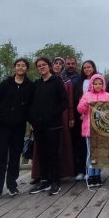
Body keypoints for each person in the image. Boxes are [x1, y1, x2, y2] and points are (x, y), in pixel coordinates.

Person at [0, 57, 33, 198]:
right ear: (14, 68)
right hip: (2, 126)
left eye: (23, 66)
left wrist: (30, 121)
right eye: (18, 65)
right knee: (0, 156)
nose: (20, 68)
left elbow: (30, 106)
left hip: (18, 126)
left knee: (15, 157)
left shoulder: (29, 86)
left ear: (27, 68)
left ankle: (12, 185)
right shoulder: (6, 84)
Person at [28, 57, 68, 196]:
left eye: (44, 65)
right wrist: (32, 120)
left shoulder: (57, 81)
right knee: (42, 153)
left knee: (53, 153)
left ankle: (55, 182)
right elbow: (31, 103)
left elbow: (63, 102)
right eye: (39, 66)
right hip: (39, 125)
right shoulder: (37, 84)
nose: (41, 67)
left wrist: (52, 115)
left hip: (53, 124)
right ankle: (44, 180)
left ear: (49, 66)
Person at [77, 73, 109, 187]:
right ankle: (91, 175)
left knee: (100, 152)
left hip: (102, 129)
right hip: (90, 129)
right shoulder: (87, 95)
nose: (97, 85)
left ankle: (98, 175)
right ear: (91, 84)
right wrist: (86, 104)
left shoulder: (107, 95)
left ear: (103, 84)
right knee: (91, 153)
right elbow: (80, 109)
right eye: (95, 83)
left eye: (100, 83)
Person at [71, 60, 97, 181]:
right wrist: (81, 113)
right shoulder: (79, 82)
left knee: (94, 147)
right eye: (85, 67)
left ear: (93, 68)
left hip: (96, 118)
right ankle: (81, 170)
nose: (87, 69)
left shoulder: (99, 79)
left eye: (89, 67)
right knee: (81, 145)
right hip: (82, 116)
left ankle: (93, 171)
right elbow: (76, 98)